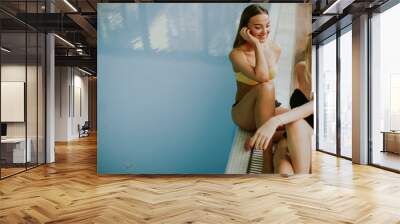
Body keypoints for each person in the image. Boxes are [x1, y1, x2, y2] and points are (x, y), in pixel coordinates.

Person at [229, 4, 286, 173]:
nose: (265, 32)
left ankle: (257, 138)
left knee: (298, 122)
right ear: (246, 29)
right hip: (244, 113)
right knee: (266, 85)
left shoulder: (275, 48)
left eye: (267, 26)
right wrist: (256, 45)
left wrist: (259, 45)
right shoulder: (237, 54)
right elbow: (262, 77)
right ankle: (266, 159)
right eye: (257, 27)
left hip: (267, 108)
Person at [246, 38, 314, 175]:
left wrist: (274, 122)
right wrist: (264, 132)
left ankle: (304, 185)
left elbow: (312, 107)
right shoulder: (301, 68)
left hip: (308, 133)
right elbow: (298, 108)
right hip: (292, 132)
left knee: (294, 124)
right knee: (282, 168)